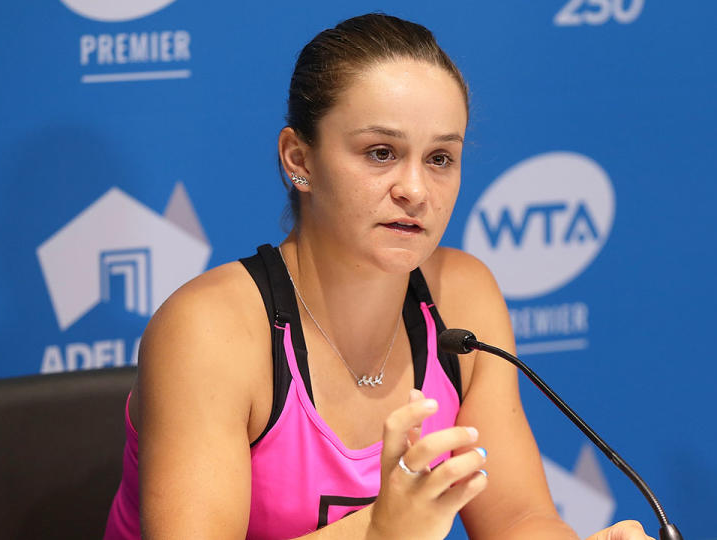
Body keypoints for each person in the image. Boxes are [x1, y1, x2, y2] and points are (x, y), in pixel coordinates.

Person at [104, 13, 654, 540]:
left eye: (440, 158)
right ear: (300, 158)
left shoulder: (462, 295)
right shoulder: (210, 330)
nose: (415, 190)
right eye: (381, 152)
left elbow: (516, 521)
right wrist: (380, 530)